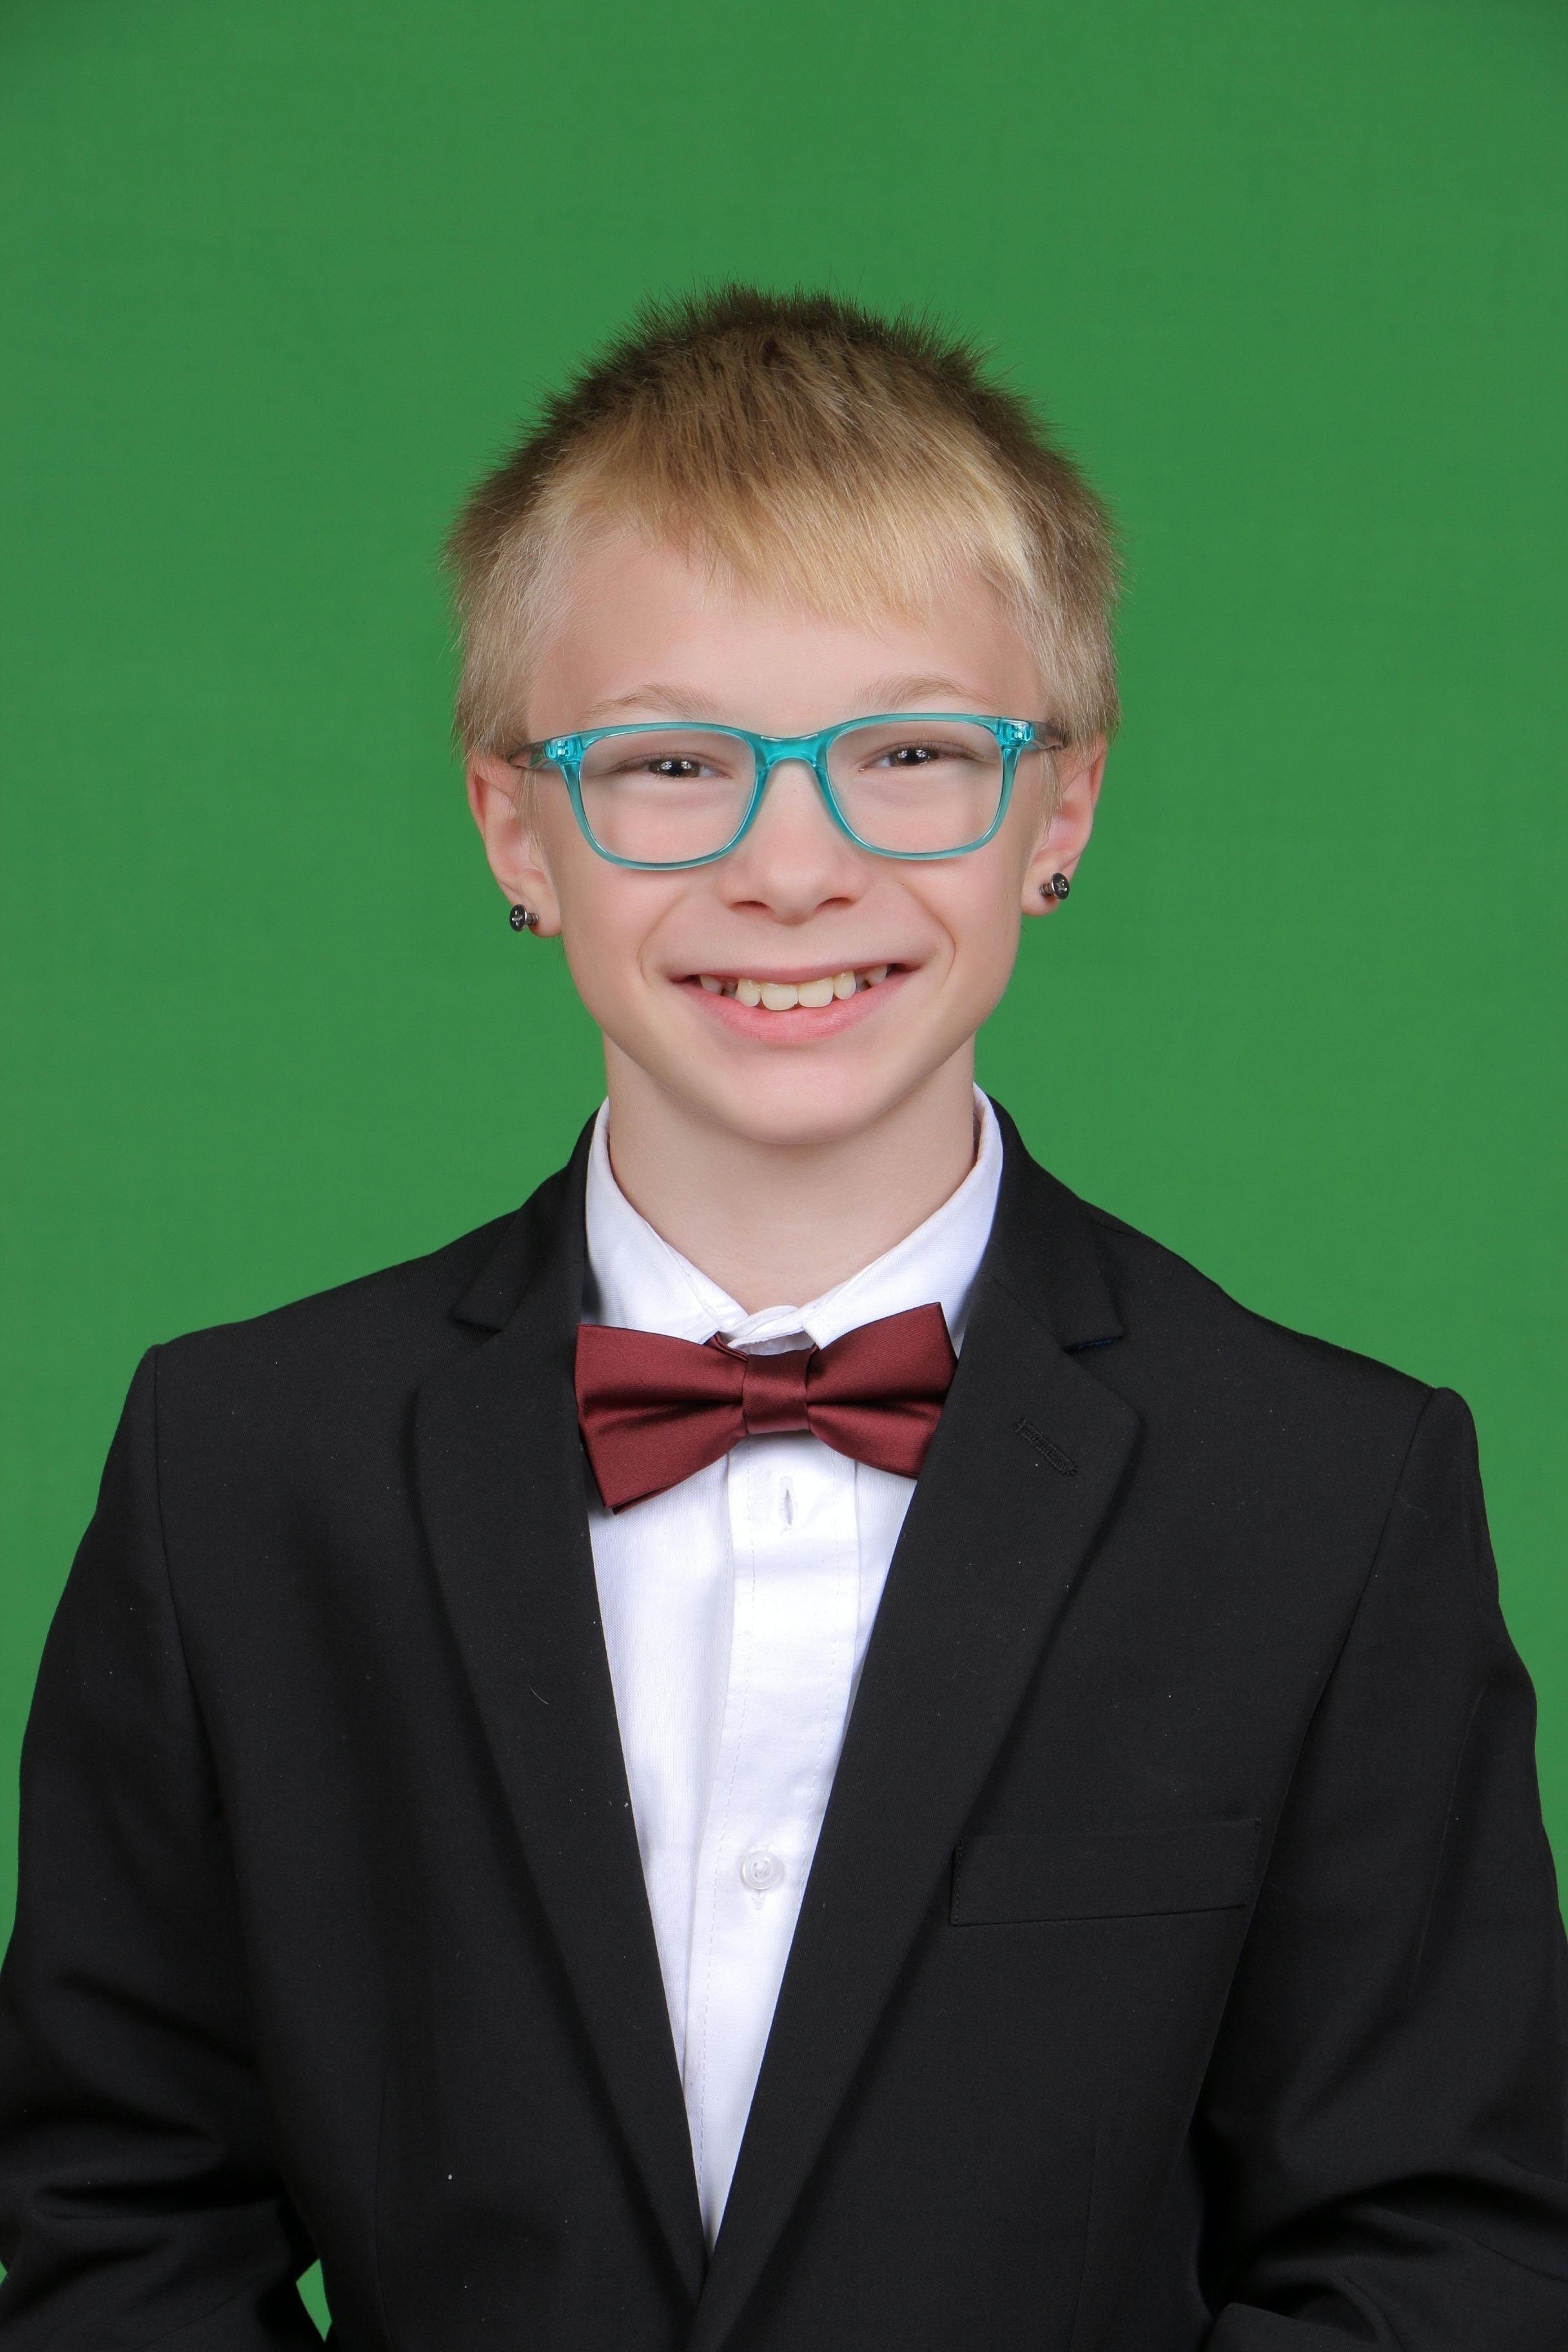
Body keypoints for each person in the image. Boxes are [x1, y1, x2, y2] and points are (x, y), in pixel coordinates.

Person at [1, 287, 1565, 2352]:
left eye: (912, 754)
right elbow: (108, 2209)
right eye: (672, 762)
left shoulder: (1328, 1494)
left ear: (1062, 812)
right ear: (517, 830)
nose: (794, 866)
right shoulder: (239, 1472)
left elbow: (1444, 2250)